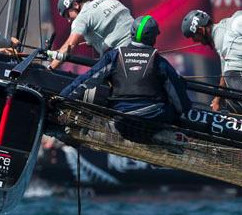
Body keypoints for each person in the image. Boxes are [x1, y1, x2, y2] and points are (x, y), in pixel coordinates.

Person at [60, 15, 191, 142]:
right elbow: (178, 98)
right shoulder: (159, 62)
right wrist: (184, 112)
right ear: (153, 38)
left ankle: (156, 137)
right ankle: (161, 136)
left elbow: (85, 80)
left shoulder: (115, 56)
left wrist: (62, 98)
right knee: (173, 109)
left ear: (131, 33)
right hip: (153, 120)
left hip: (122, 122)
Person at [48, 0, 134, 70]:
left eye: (67, 15)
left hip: (122, 56)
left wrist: (50, 68)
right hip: (140, 44)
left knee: (86, 82)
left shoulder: (81, 18)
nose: (69, 20)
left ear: (75, 5)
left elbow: (69, 46)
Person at [181, 9, 230, 111]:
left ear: (201, 30)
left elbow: (227, 73)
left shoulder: (220, 38)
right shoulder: (223, 25)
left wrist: (217, 100)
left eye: (194, 36)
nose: (195, 41)